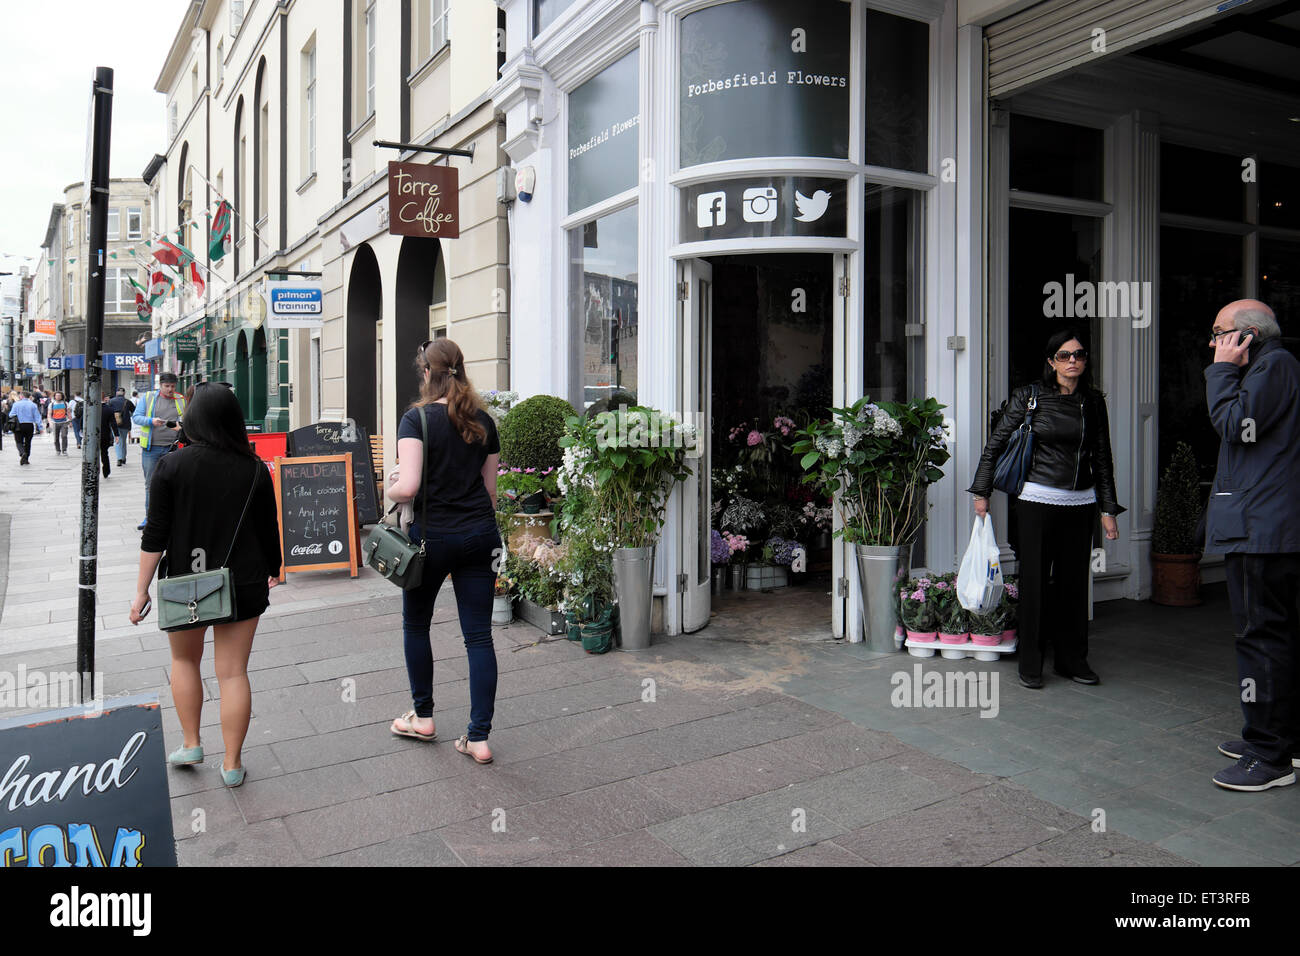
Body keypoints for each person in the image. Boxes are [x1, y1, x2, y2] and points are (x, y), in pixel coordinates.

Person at [129, 383, 282, 788]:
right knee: (233, 673)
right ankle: (232, 764)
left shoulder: (170, 467)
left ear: (193, 419)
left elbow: (155, 535)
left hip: (186, 581)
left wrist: (141, 590)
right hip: (244, 580)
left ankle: (192, 742)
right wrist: (275, 566)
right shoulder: (254, 468)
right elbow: (270, 529)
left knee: (184, 662)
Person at [969, 329, 1123, 690]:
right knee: (1035, 582)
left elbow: (1102, 457)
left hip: (1081, 503)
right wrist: (981, 490)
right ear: (1052, 361)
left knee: (1073, 587)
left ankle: (1073, 660)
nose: (1074, 361)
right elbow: (996, 445)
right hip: (1036, 500)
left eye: (1080, 355)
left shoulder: (1093, 402)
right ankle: (1031, 663)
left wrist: (1108, 508)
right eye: (1066, 355)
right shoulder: (1029, 397)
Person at [386, 339, 501, 763]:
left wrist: (389, 485)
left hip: (431, 539)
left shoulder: (416, 419)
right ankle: (479, 737)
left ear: (427, 374)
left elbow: (408, 486)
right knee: (479, 636)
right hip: (480, 537)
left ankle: (424, 716)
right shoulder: (485, 422)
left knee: (417, 625)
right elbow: (490, 492)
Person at [1202, 301, 1300, 792]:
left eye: (1219, 334)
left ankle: (1269, 755)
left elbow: (1236, 424)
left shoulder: (1274, 365)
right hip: (1262, 525)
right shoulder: (1270, 366)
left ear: (1245, 336)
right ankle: (1277, 737)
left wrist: (1221, 372)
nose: (1214, 343)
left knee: (1259, 640)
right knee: (1274, 637)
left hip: (1262, 529)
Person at [132, 373, 187, 531]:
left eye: (172, 386)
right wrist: (151, 421)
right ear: (160, 385)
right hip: (152, 448)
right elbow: (136, 417)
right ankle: (150, 518)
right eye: (167, 386)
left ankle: (174, 516)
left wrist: (180, 426)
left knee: (176, 483)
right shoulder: (149, 397)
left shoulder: (180, 399)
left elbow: (187, 420)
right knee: (151, 484)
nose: (170, 389)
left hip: (174, 447)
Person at [10, 392, 43, 465]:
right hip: (29, 425)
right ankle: (26, 458)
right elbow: (37, 416)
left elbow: (11, 414)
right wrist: (40, 427)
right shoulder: (33, 405)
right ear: (29, 396)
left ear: (21, 396)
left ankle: (22, 453)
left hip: (19, 425)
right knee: (28, 442)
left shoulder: (16, 404)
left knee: (18, 441)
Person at [109, 387, 135, 466]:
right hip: (125, 424)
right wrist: (128, 415)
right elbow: (134, 411)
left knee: (117, 440)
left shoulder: (111, 401)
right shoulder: (128, 402)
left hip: (115, 424)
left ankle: (119, 458)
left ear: (117, 393)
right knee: (123, 441)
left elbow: (108, 412)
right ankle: (123, 458)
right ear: (124, 393)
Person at [99, 393, 119, 478]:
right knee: (104, 453)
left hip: (92, 435)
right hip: (105, 434)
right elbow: (113, 423)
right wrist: (116, 435)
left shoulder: (90, 408)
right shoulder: (109, 409)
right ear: (105, 398)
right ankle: (106, 471)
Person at [49, 391, 70, 456]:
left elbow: (69, 412)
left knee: (64, 436)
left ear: (62, 396)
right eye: (57, 395)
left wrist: (70, 421)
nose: (58, 397)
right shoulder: (52, 404)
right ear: (54, 396)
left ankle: (64, 450)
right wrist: (50, 422)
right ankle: (58, 450)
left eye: (59, 395)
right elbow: (49, 414)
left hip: (64, 422)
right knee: (56, 438)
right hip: (55, 422)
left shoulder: (65, 403)